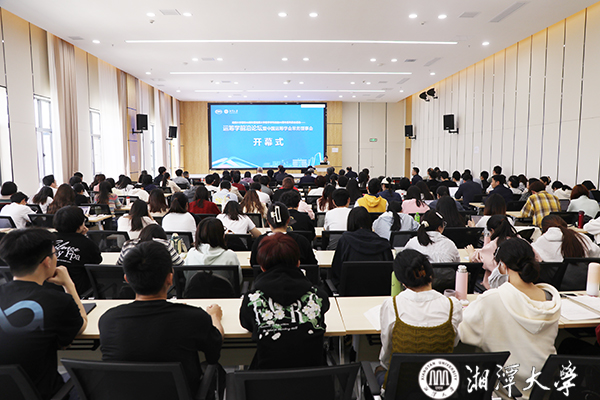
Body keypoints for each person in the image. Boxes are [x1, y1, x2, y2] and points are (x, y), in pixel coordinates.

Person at [99, 241, 223, 394]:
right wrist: (215, 317)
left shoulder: (108, 320)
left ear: (127, 279)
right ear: (170, 278)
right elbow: (214, 354)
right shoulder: (194, 318)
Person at [459, 238, 561, 400]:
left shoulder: (492, 299)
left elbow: (460, 331)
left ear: (503, 265)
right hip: (542, 387)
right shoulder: (550, 300)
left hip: (506, 388)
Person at [0, 228, 87, 399]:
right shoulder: (58, 302)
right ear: (47, 261)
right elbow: (81, 325)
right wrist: (69, 285)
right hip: (43, 394)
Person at [240, 233, 329, 369]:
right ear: (298, 263)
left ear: (262, 267)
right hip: (313, 379)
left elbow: (247, 324)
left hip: (267, 380)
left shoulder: (253, 300)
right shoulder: (317, 296)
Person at [378, 249, 462, 386]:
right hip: (439, 387)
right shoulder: (453, 305)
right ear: (431, 274)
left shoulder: (392, 305)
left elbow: (387, 351)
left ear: (401, 281)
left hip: (401, 388)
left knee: (379, 370)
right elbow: (453, 343)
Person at [331, 207, 393, 284]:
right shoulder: (384, 244)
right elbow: (390, 273)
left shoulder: (345, 240)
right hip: (380, 290)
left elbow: (336, 270)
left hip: (349, 290)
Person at [249, 203, 318, 267]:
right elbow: (312, 265)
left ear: (268, 222)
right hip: (294, 276)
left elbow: (254, 265)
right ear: (288, 220)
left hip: (266, 276)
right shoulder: (302, 241)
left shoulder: (259, 242)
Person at [53, 206, 102, 294]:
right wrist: (83, 237)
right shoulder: (86, 244)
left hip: (47, 291)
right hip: (76, 291)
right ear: (79, 227)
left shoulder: (47, 239)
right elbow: (96, 261)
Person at [184, 217, 242, 287]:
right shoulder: (230, 255)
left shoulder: (191, 254)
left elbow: (187, 277)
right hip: (224, 293)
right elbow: (238, 281)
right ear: (222, 235)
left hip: (195, 293)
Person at [467, 215, 520, 289]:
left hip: (497, 287)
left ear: (492, 230)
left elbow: (474, 259)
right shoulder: (522, 241)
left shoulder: (494, 244)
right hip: (521, 286)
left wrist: (471, 252)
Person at [533, 214, 600, 262]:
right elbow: (596, 255)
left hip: (550, 278)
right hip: (581, 277)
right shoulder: (581, 238)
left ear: (543, 230)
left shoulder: (538, 244)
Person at [117, 224, 184, 266]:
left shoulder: (128, 244)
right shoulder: (165, 244)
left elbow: (119, 265)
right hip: (158, 282)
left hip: (133, 281)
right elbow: (180, 264)